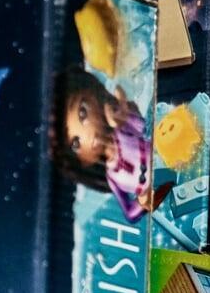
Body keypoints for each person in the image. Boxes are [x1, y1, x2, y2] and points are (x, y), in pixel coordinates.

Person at [53, 65, 160, 223]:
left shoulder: (122, 129)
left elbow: (146, 127)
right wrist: (146, 200)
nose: (87, 135)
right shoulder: (113, 178)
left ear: (94, 95)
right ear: (81, 163)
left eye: (83, 112)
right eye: (76, 143)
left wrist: (122, 114)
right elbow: (130, 213)